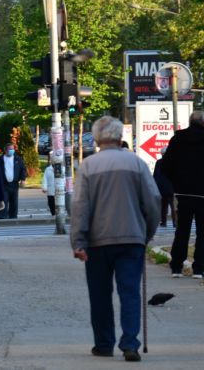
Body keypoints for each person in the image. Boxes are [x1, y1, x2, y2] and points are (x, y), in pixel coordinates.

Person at [70, 116, 160, 362]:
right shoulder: (137, 164)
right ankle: (130, 343)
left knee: (100, 294)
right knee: (130, 292)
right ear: (121, 136)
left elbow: (79, 206)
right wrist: (147, 233)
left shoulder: (88, 166)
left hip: (98, 242)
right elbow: (153, 201)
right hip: (132, 239)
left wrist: (78, 241)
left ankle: (104, 344)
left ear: (97, 138)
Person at [161, 111, 204, 278]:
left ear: (190, 122)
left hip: (184, 193)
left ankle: (176, 266)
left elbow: (166, 165)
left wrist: (177, 182)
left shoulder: (177, 140)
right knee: (203, 232)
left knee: (182, 230)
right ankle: (199, 268)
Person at [0, 143, 27, 219]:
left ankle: (13, 216)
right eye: (10, 149)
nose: (12, 150)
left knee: (14, 201)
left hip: (14, 183)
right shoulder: (0, 160)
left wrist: (23, 179)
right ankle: (2, 216)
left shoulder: (17, 159)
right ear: (5, 150)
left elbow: (23, 169)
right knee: (4, 200)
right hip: (4, 184)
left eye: (13, 149)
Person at [153, 147, 176, 228]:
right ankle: (175, 222)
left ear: (161, 154)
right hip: (171, 187)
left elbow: (155, 175)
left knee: (163, 206)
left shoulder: (159, 162)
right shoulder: (173, 162)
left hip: (162, 187)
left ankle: (164, 222)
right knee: (173, 206)